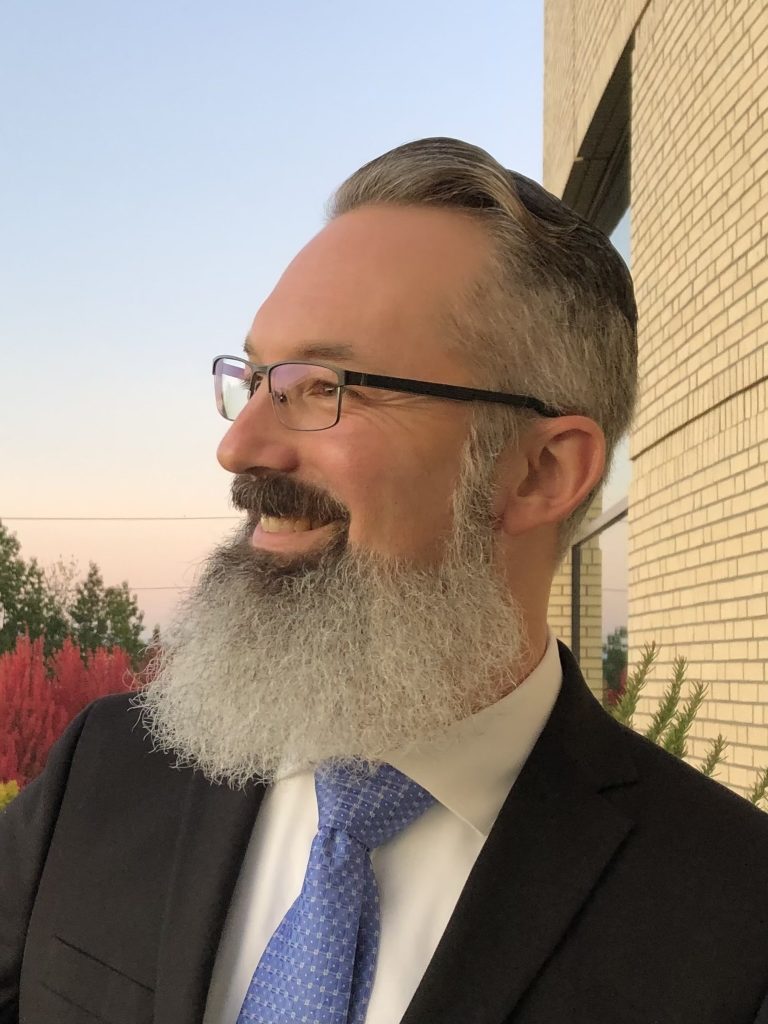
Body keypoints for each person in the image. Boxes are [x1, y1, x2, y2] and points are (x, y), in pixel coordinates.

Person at [2, 137, 767, 1024]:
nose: (238, 447)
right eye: (256, 379)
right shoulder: (106, 771)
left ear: (541, 472)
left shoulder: (735, 920)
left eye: (322, 386)